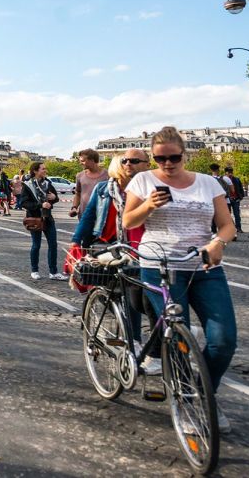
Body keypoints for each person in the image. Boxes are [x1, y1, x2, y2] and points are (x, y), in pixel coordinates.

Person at [122, 126, 238, 434]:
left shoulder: (207, 183)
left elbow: (227, 225)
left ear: (184, 154)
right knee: (178, 337)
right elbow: (128, 221)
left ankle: (205, 394)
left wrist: (218, 243)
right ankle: (187, 399)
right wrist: (148, 205)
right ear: (153, 158)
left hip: (204, 265)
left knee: (224, 339)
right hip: (160, 265)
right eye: (160, 159)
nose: (168, 164)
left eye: (174, 157)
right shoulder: (142, 180)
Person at [74, 149, 160, 373]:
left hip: (137, 246)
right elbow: (90, 214)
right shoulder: (105, 188)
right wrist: (76, 243)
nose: (128, 165)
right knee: (121, 295)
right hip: (108, 245)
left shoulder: (146, 187)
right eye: (124, 162)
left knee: (140, 296)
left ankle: (141, 341)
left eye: (132, 161)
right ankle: (131, 339)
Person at [19, 161, 66, 281]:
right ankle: (34, 270)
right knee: (36, 245)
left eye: (45, 169)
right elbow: (24, 203)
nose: (45, 171)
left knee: (53, 244)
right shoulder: (27, 185)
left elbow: (55, 197)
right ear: (35, 171)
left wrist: (54, 198)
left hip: (48, 218)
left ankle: (53, 272)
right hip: (34, 218)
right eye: (43, 169)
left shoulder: (48, 183)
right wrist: (40, 205)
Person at [70, 149, 108, 219]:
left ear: (92, 160)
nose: (80, 163)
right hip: (84, 216)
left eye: (83, 161)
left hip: (103, 216)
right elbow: (78, 193)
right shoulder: (79, 176)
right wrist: (74, 207)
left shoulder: (107, 175)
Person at [222, 167, 244, 236]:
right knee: (228, 215)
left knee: (237, 214)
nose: (230, 173)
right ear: (225, 172)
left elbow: (240, 188)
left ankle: (238, 228)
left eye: (231, 172)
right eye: (229, 172)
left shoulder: (236, 179)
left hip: (236, 199)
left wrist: (241, 197)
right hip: (227, 199)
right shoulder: (222, 180)